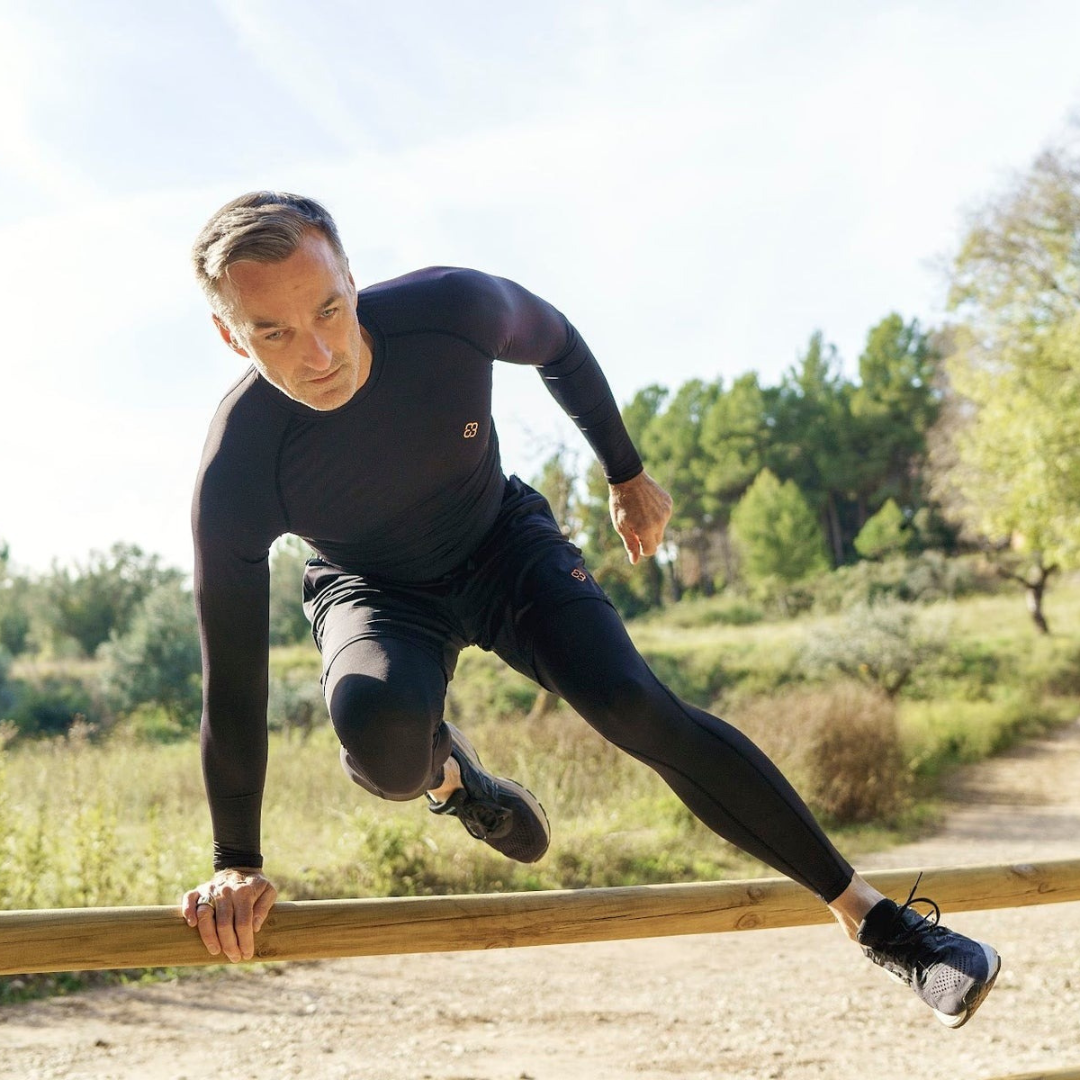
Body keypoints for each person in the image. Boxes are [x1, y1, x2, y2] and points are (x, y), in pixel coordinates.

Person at [181, 191, 999, 1028]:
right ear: (229, 335)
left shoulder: (450, 310)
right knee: (386, 750)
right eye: (273, 332)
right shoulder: (238, 466)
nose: (320, 354)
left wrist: (627, 473)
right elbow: (233, 681)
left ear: (352, 277)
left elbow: (559, 344)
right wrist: (236, 861)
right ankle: (455, 778)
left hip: (502, 546)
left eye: (328, 308)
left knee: (633, 706)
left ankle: (886, 928)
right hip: (374, 592)